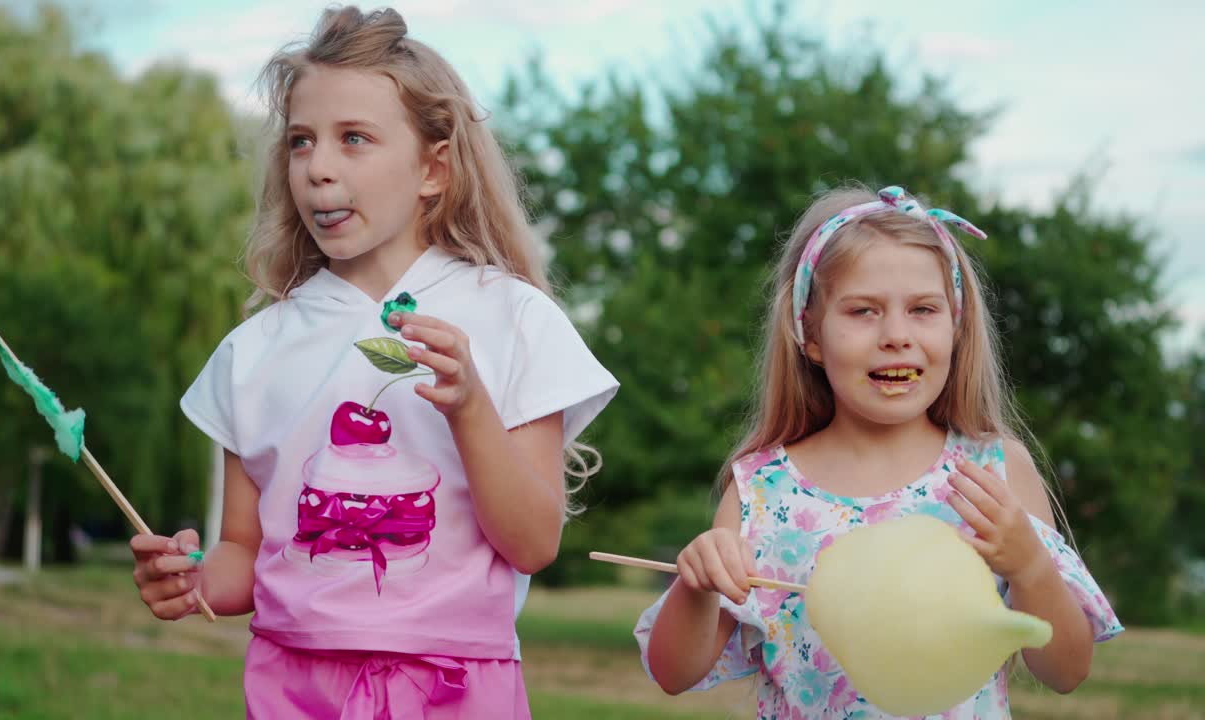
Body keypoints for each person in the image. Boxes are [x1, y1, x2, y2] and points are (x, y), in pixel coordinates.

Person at [129, 7, 617, 717]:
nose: (318, 168)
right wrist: (190, 576)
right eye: (301, 142)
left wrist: (471, 406)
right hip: (293, 685)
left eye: (353, 139)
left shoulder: (515, 320)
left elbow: (534, 542)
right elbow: (243, 554)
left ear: (433, 167)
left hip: (455, 684)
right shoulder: (253, 351)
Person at [636, 185, 1121, 718]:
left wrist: (1030, 566)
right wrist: (696, 587)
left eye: (923, 310)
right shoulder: (764, 490)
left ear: (956, 329)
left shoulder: (993, 472)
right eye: (863, 311)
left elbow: (1066, 672)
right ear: (811, 334)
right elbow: (673, 674)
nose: (895, 334)